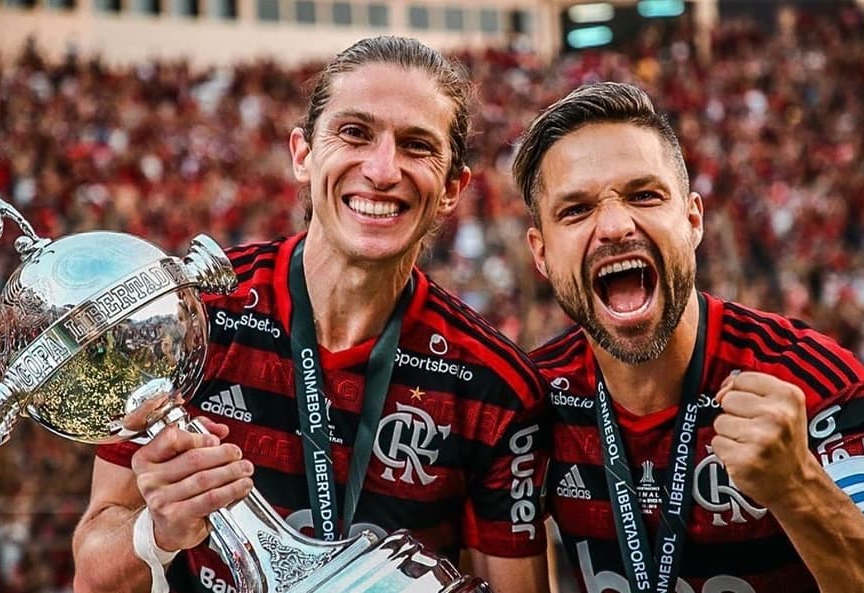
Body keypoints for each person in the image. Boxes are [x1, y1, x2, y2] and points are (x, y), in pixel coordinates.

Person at [72, 36, 549, 593]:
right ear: (303, 154)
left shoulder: (494, 386)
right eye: (354, 133)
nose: (382, 168)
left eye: (417, 146)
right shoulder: (192, 314)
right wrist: (156, 531)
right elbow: (92, 574)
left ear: (452, 189)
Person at [512, 81, 864, 593]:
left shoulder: (813, 380)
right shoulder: (531, 399)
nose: (613, 226)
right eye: (576, 210)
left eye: (644, 195)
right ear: (541, 254)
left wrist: (797, 486)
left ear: (693, 219)